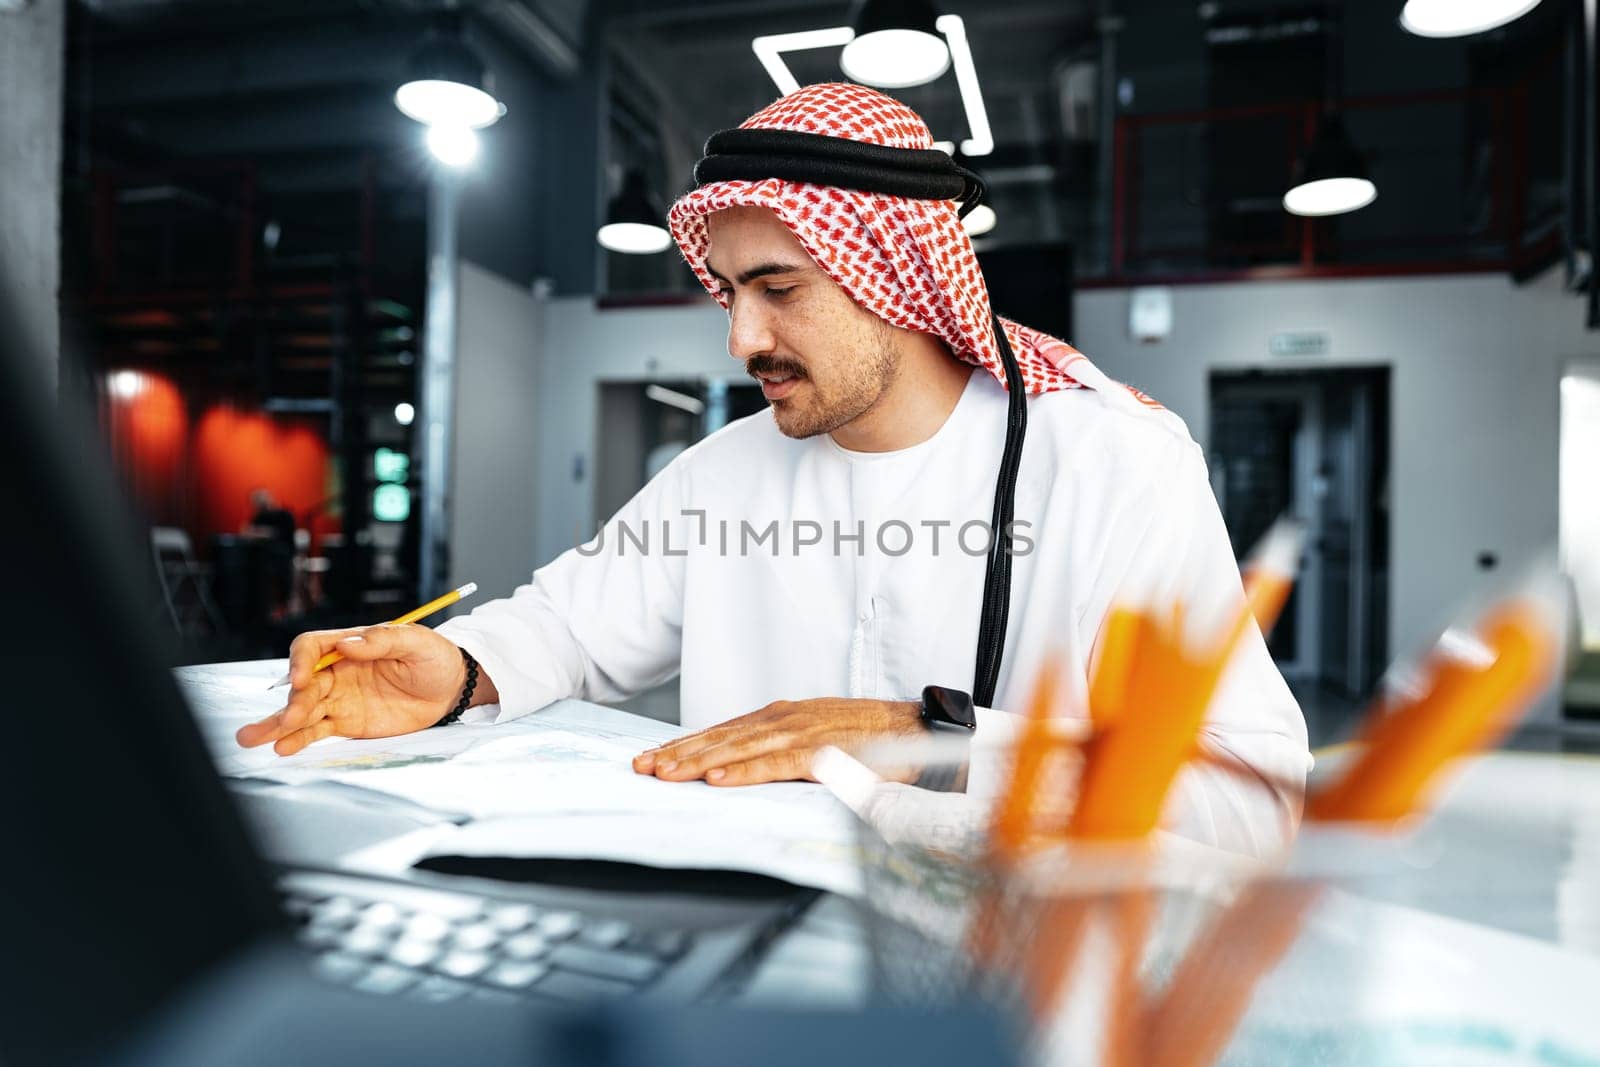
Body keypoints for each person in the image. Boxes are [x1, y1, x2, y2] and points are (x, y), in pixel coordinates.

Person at [237, 84, 1310, 857]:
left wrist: (922, 738)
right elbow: (566, 626)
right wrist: (459, 669)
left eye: (780, 288)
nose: (741, 339)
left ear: (891, 273)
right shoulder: (722, 473)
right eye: (729, 293)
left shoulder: (1110, 464)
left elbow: (1247, 792)